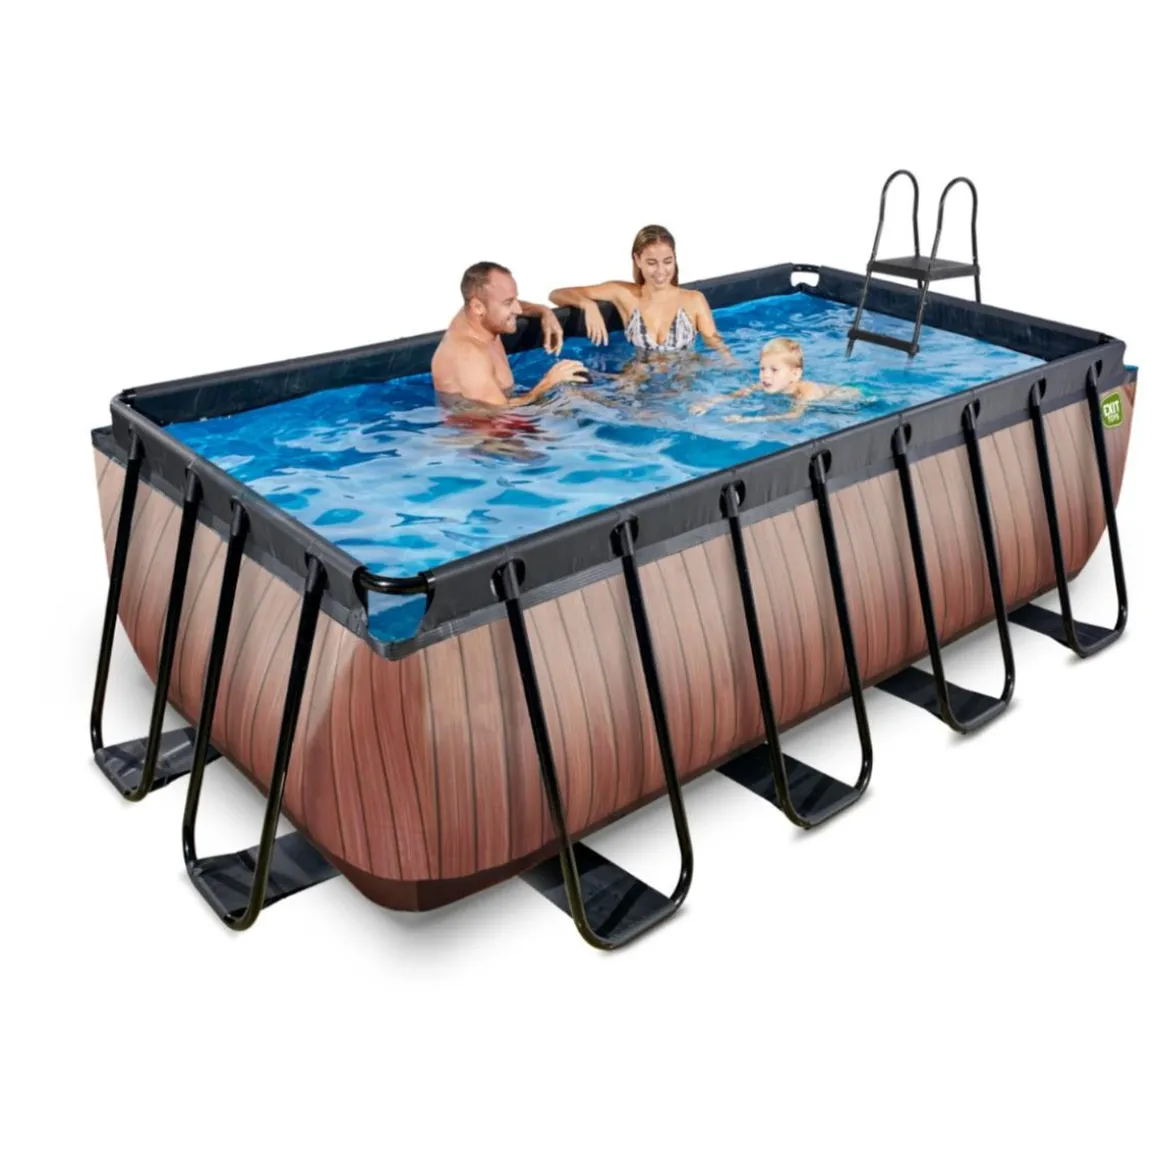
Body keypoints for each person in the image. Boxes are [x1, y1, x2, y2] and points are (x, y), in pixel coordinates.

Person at [548, 224, 734, 361]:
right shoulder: (624, 294)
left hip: (684, 385)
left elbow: (716, 344)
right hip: (639, 385)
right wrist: (587, 305)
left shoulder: (694, 300)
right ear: (637, 260)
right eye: (652, 263)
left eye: (668, 261)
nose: (661, 271)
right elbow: (556, 294)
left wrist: (735, 372)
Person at [431, 261, 589, 409]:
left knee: (578, 395)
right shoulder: (468, 357)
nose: (518, 310)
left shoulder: (480, 318)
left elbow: (498, 305)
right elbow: (499, 414)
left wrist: (544, 311)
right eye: (508, 302)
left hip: (508, 407)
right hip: (488, 427)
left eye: (515, 299)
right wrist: (548, 383)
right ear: (478, 307)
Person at [690, 337, 861, 423]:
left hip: (855, 398)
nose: (765, 375)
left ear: (795, 374)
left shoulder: (805, 391)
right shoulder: (764, 384)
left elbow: (794, 415)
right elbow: (736, 395)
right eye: (762, 368)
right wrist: (708, 403)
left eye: (774, 370)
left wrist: (747, 420)